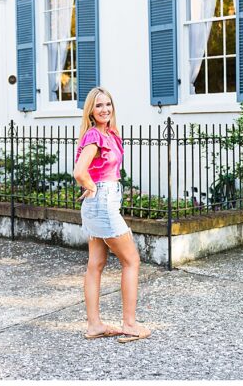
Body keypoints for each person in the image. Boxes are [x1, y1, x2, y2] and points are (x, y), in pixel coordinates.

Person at [73, 87, 151, 343]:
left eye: (108, 104)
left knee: (95, 264)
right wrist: (93, 187)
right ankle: (129, 324)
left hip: (100, 204)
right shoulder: (96, 136)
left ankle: (95, 325)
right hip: (102, 202)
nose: (105, 109)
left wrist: (94, 188)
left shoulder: (109, 134)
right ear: (91, 111)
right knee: (132, 260)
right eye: (99, 106)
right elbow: (79, 172)